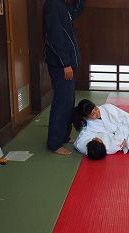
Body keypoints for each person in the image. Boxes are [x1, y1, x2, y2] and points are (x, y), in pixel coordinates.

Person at [43, 0, 86, 155]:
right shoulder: (53, 5)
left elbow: (75, 11)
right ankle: (54, 143)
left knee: (68, 102)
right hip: (61, 65)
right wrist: (65, 63)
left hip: (67, 63)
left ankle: (63, 136)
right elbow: (54, 39)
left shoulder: (61, 5)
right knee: (61, 103)